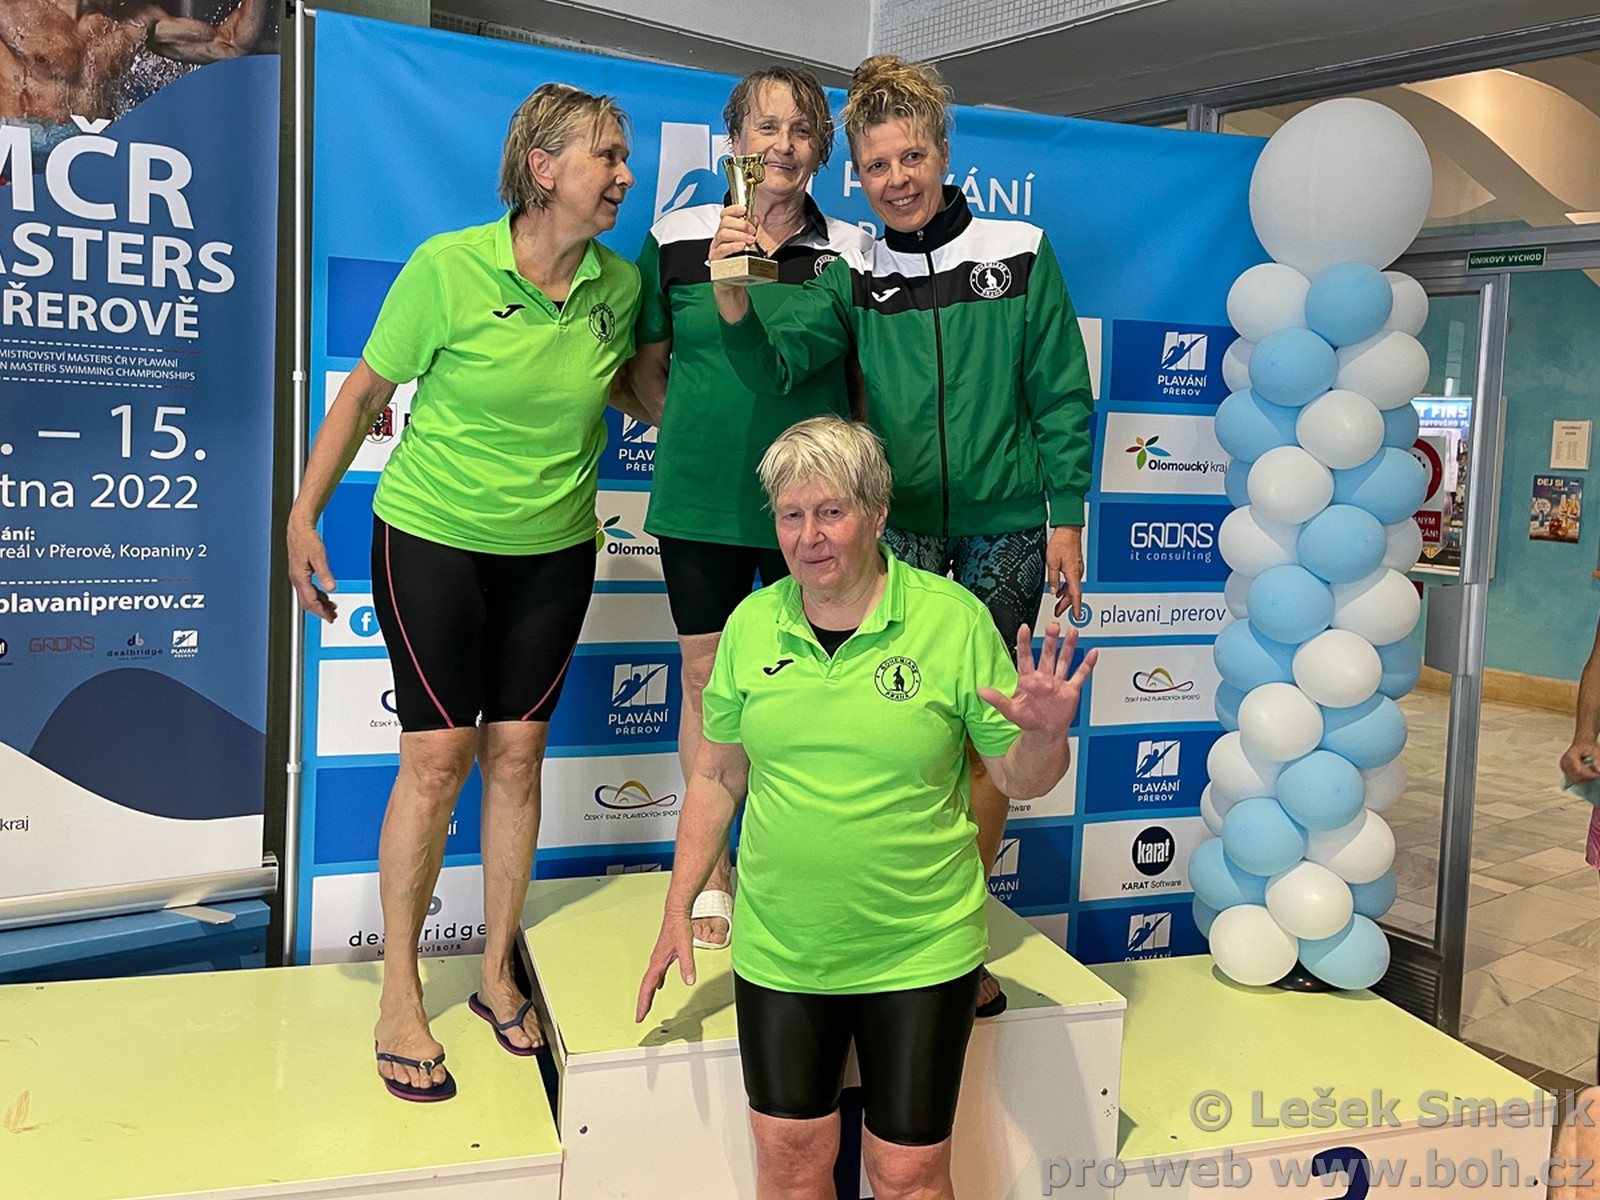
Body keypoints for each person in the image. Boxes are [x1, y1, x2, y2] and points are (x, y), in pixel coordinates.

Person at [710, 54, 1095, 1015]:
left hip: (1009, 527)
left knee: (988, 737)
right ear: (857, 174)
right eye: (877, 165)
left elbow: (1059, 392)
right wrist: (735, 302)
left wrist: (1067, 516)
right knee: (913, 741)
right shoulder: (854, 271)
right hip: (900, 532)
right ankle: (900, 934)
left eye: (911, 157)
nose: (897, 180)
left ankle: (958, 941)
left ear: (943, 154)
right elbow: (783, 364)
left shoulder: (1020, 250)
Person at [286, 83, 643, 1102]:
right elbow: (364, 392)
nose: (625, 176)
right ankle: (400, 991)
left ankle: (494, 973)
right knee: (438, 759)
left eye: (624, 158)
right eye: (607, 156)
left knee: (518, 755)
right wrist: (304, 516)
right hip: (433, 539)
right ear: (543, 168)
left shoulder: (621, 285)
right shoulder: (449, 267)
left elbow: (641, 388)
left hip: (554, 550)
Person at [636, 416, 1095, 1200]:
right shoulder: (751, 625)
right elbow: (716, 773)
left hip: (920, 948)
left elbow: (1018, 777)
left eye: (831, 512)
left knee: (908, 1175)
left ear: (878, 515)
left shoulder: (951, 619)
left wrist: (1047, 736)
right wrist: (679, 904)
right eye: (791, 515)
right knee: (790, 1163)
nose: (809, 536)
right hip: (784, 949)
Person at [626, 66, 872, 952]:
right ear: (734, 140)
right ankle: (714, 871)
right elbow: (645, 368)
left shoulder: (850, 251)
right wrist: (702, 433)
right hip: (701, 500)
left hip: (815, 511)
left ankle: (800, 857)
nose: (784, 146)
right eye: (766, 128)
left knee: (820, 680)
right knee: (704, 679)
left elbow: (857, 384)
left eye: (802, 130)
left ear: (822, 150)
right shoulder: (676, 236)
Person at [1, 0, 268, 166]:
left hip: (91, 161)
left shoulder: (134, 19)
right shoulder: (12, 10)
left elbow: (231, 45)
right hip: (21, 159)